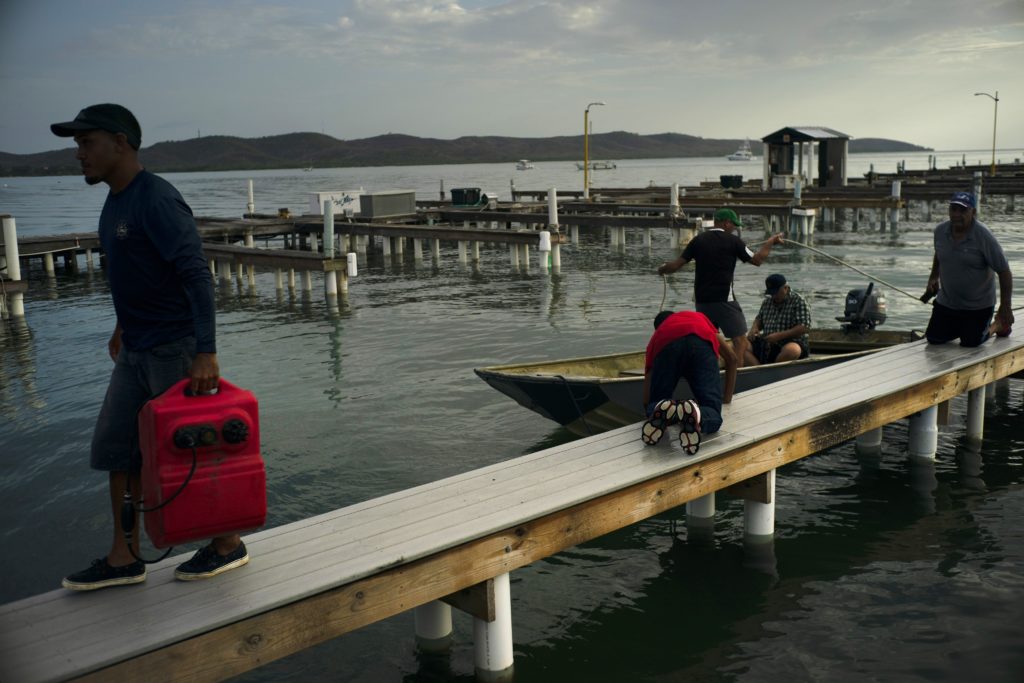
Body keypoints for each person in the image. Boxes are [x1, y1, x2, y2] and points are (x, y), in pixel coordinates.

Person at [51, 104, 248, 590]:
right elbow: (137, 274)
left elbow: (195, 275)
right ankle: (125, 557)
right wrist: (122, 325)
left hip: (176, 350)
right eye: (77, 144)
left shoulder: (156, 199)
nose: (79, 153)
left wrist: (206, 351)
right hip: (137, 349)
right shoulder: (115, 201)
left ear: (121, 142)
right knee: (118, 451)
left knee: (194, 451)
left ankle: (228, 544)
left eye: (86, 142)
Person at [657, 208, 783, 367]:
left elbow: (675, 266)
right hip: (724, 300)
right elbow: (758, 260)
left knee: (709, 338)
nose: (735, 228)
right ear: (726, 223)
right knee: (740, 340)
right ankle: (735, 373)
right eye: (733, 225)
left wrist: (661, 269)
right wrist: (770, 242)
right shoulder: (733, 241)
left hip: (702, 301)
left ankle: (711, 368)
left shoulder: (698, 240)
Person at [920, 191, 1013, 346]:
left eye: (963, 210)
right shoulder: (940, 231)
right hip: (948, 302)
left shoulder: (983, 236)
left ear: (973, 212)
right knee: (934, 339)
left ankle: (998, 325)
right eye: (953, 209)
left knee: (971, 342)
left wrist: (1005, 307)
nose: (957, 214)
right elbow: (939, 252)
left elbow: (1004, 271)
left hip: (978, 305)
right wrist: (933, 277)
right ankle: (961, 327)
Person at [641, 310, 738, 454]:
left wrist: (650, 411)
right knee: (712, 412)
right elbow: (732, 358)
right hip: (700, 340)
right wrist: (726, 399)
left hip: (666, 345)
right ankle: (696, 414)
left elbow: (646, 397)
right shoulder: (698, 318)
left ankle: (667, 409)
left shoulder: (659, 335)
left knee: (657, 404)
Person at [745, 274, 812, 365]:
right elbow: (759, 319)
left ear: (786, 288)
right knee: (740, 345)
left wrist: (779, 335)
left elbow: (804, 327)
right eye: (771, 293)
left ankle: (771, 370)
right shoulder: (767, 302)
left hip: (792, 341)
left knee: (792, 350)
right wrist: (754, 328)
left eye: (776, 293)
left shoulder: (799, 301)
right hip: (767, 341)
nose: (773, 296)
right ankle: (758, 369)